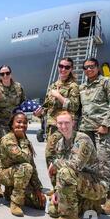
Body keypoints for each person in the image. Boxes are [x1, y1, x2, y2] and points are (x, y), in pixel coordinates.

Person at [48, 111, 108, 219]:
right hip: (79, 181)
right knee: (53, 210)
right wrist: (56, 191)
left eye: (67, 123)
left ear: (73, 123)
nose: (64, 126)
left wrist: (54, 163)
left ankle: (70, 218)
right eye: (60, 123)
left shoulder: (82, 139)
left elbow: (75, 166)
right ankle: (86, 207)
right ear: (56, 124)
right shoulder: (60, 143)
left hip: (95, 185)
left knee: (65, 172)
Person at [78, 58, 110, 215]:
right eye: (86, 67)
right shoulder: (82, 87)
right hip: (86, 130)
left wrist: (106, 124)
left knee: (104, 162)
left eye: (91, 67)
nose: (89, 69)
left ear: (97, 68)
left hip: (103, 130)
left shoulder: (107, 82)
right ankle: (99, 193)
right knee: (90, 164)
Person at [34, 57, 80, 192]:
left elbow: (74, 107)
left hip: (64, 129)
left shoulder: (73, 86)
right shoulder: (53, 85)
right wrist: (40, 112)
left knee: (64, 158)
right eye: (61, 66)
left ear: (71, 69)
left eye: (67, 67)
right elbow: (48, 107)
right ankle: (56, 188)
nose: (63, 69)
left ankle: (66, 188)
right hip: (51, 129)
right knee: (50, 157)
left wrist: (59, 96)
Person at [0, 111, 46, 216]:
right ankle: (15, 202)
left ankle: (10, 193)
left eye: (25, 122)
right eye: (18, 122)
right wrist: (23, 139)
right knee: (25, 167)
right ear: (12, 124)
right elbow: (24, 158)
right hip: (3, 174)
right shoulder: (8, 140)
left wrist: (38, 189)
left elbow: (33, 164)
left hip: (18, 174)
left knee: (40, 203)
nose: (22, 125)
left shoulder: (25, 139)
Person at [0, 65, 26, 198]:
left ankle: (11, 184)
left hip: (15, 126)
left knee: (17, 153)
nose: (5, 76)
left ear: (11, 73)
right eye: (2, 74)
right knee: (1, 153)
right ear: (0, 75)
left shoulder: (18, 87)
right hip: (1, 125)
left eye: (7, 73)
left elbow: (23, 104)